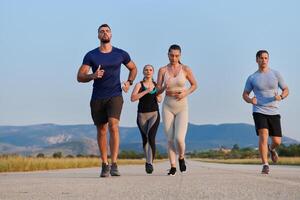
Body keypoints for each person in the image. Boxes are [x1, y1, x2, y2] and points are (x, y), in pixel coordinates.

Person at [77, 24, 137, 177]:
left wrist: (129, 82)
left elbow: (133, 68)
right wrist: (92, 76)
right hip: (97, 97)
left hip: (115, 95)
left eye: (107, 31)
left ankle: (114, 163)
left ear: (111, 34)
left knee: (113, 125)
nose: (105, 33)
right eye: (102, 31)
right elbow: (79, 76)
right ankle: (105, 164)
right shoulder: (91, 55)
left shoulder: (120, 54)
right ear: (98, 36)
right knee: (102, 130)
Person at [242, 50, 289, 174]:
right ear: (257, 60)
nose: (264, 60)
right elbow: (245, 94)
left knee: (277, 141)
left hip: (274, 111)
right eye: (261, 58)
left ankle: (271, 149)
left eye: (266, 58)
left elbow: (286, 89)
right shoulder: (252, 77)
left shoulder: (275, 74)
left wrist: (281, 96)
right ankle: (265, 164)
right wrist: (251, 100)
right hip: (259, 110)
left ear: (268, 59)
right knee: (263, 135)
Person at [156, 44, 197, 176]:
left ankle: (181, 157)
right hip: (168, 105)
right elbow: (157, 90)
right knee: (169, 138)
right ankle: (173, 166)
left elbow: (194, 85)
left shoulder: (185, 69)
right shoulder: (162, 70)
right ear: (168, 54)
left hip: (182, 105)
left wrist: (185, 93)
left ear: (180, 55)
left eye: (176, 55)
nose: (174, 58)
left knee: (179, 138)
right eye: (172, 55)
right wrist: (163, 87)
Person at [131, 64, 162, 174]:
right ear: (143, 72)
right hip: (142, 115)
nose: (148, 71)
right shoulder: (139, 85)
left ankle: (150, 163)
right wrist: (145, 91)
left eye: (150, 70)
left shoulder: (156, 85)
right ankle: (147, 161)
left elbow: (159, 99)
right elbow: (133, 98)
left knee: (151, 137)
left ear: (153, 72)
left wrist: (158, 93)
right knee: (145, 138)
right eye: (146, 70)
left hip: (154, 114)